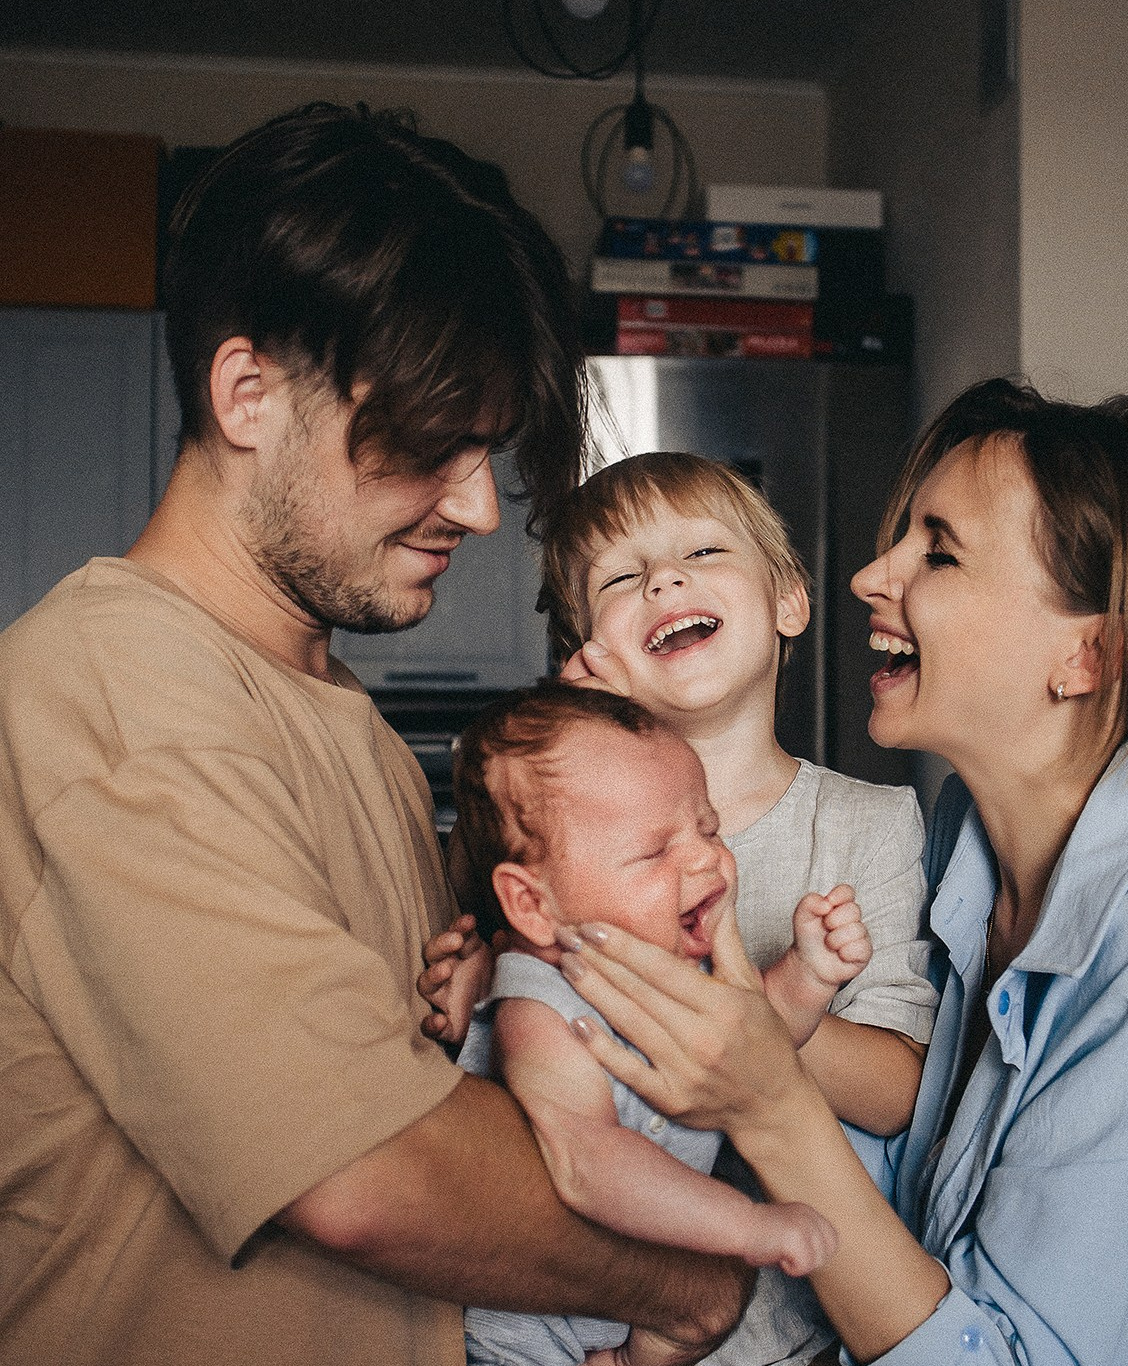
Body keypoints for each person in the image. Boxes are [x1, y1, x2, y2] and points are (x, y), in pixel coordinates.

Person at [0, 102, 752, 1366]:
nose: (474, 504)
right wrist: (690, 1286)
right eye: (426, 444)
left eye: (485, 450)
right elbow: (368, 1167)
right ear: (249, 393)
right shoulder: (120, 701)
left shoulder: (327, 707)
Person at [548, 377, 1128, 1364]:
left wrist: (769, 1099)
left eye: (937, 550)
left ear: (1089, 655)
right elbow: (911, 1209)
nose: (868, 576)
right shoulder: (962, 847)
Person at [420, 450, 939, 1365]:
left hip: (778, 1338)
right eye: (623, 577)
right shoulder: (549, 834)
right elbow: (493, 988)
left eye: (702, 552)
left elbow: (899, 1093)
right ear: (588, 654)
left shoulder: (868, 825)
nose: (665, 578)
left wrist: (770, 1017)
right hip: (544, 1311)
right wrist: (472, 980)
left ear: (788, 602)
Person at [451, 682, 875, 1366]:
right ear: (532, 904)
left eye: (707, 828)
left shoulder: (671, 967)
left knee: (702, 1320)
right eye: (653, 852)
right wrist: (747, 1226)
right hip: (530, 1336)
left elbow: (752, 1042)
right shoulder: (538, 1007)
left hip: (641, 1309)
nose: (706, 858)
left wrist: (807, 976)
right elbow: (587, 1160)